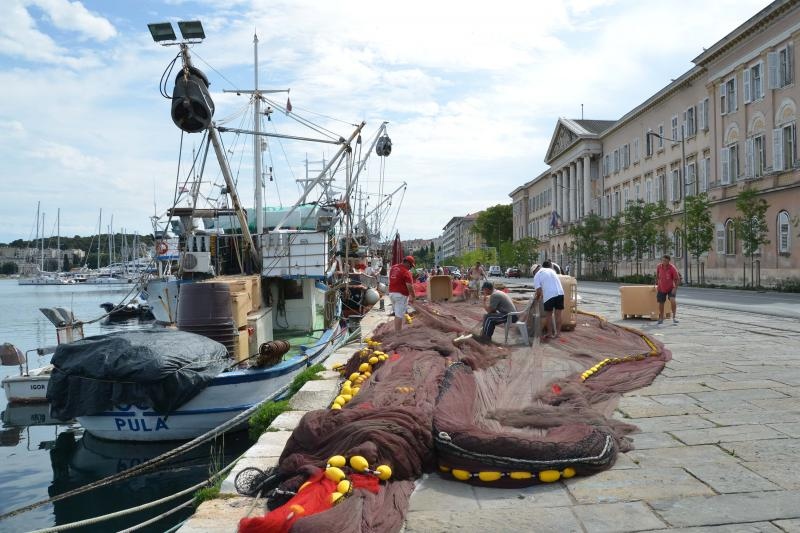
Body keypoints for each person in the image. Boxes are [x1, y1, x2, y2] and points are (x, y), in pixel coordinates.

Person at [533, 260, 565, 339]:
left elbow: (539, 291)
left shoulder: (537, 275)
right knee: (558, 315)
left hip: (549, 295)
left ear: (534, 271)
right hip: (560, 293)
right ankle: (558, 334)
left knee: (549, 315)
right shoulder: (552, 271)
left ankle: (549, 333)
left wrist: (536, 300)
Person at [388, 255, 416, 332]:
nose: (410, 268)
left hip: (392, 294)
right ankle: (398, 334)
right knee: (399, 315)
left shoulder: (393, 268)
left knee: (398, 313)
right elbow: (409, 286)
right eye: (411, 266)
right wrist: (413, 296)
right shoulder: (406, 272)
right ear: (407, 263)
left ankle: (398, 330)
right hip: (400, 295)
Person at [655, 254, 680, 325]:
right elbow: (657, 276)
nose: (664, 262)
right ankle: (661, 317)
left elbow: (677, 279)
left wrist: (675, 288)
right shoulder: (659, 266)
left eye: (665, 261)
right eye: (662, 260)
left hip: (671, 288)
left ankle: (674, 317)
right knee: (661, 302)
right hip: (661, 287)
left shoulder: (672, 268)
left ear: (669, 261)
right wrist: (656, 284)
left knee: (672, 300)